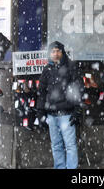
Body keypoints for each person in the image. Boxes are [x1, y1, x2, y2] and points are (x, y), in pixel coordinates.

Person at [36, 41, 83, 169]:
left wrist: (77, 110)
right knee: (56, 145)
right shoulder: (47, 69)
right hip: (51, 115)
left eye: (58, 51)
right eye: (53, 51)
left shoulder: (71, 66)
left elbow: (78, 89)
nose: (55, 54)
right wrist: (40, 112)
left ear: (62, 52)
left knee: (70, 145)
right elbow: (41, 92)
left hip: (66, 114)